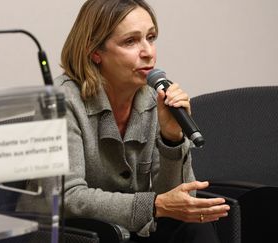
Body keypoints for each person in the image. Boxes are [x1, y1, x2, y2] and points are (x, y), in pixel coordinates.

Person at [53, 0, 230, 242]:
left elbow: (179, 201)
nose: (148, 51)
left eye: (151, 37)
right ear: (95, 52)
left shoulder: (155, 98)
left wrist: (171, 138)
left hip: (131, 232)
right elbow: (68, 198)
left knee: (195, 225)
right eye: (130, 41)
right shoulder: (62, 101)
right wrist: (153, 206)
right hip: (80, 235)